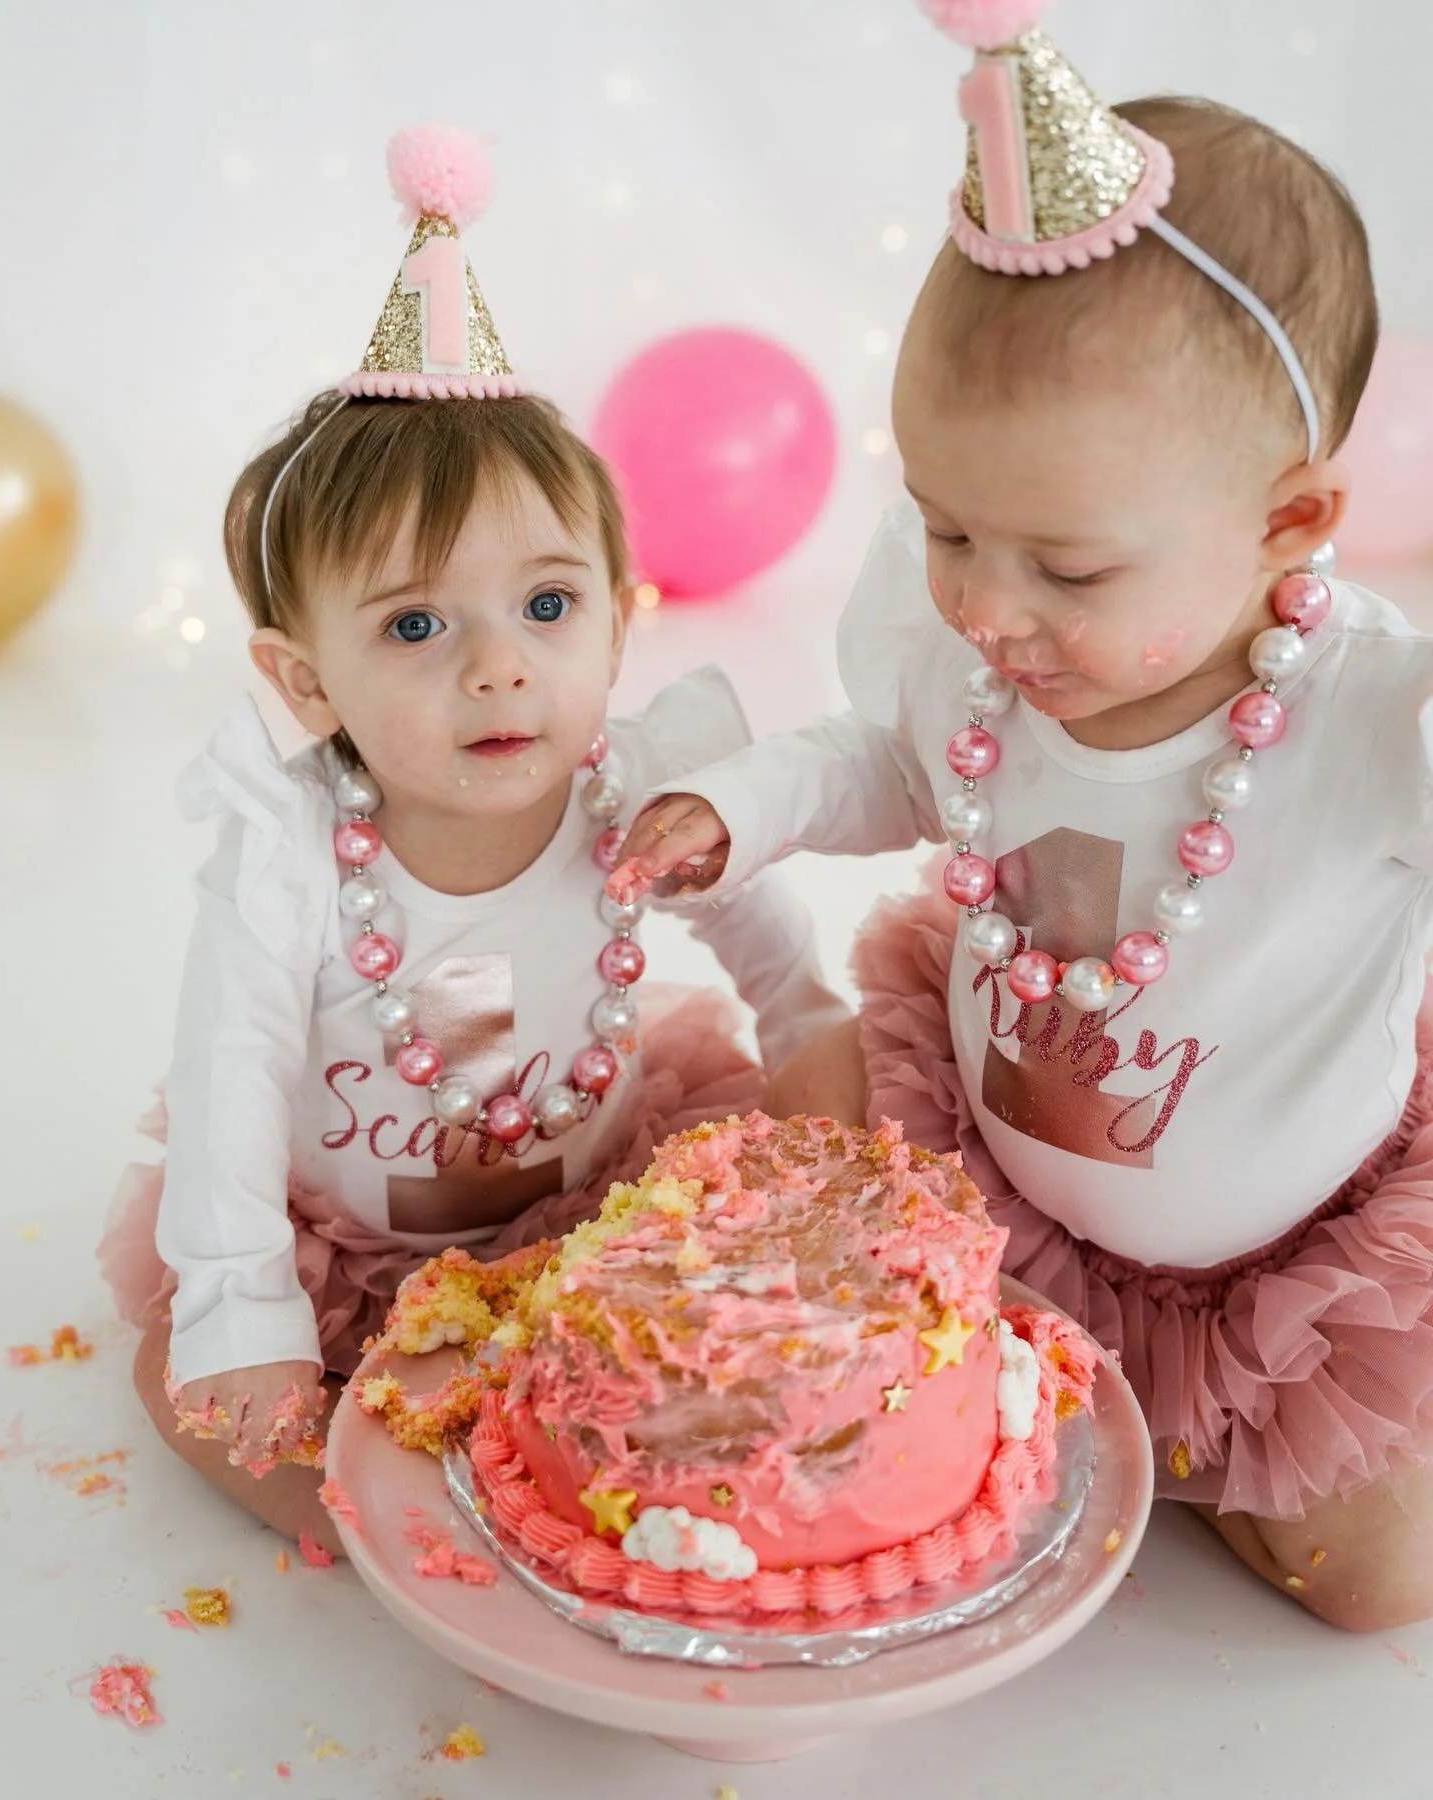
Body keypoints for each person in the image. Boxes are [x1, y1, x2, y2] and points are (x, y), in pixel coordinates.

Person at [613, 5, 1433, 1631]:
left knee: (1379, 1593)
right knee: (809, 1302)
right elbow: (888, 763)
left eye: (1068, 568)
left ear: (1291, 521)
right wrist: (745, 800)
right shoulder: (969, 665)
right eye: (945, 529)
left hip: (1282, 1265)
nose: (990, 607)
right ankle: (1026, 1396)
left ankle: (1189, 1437)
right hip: (997, 1168)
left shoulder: (1364, 725)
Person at [99, 127, 845, 1552]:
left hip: (601, 1217)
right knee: (181, 1379)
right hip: (372, 1251)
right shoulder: (291, 850)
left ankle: (590, 1475)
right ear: (305, 682)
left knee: (683, 1374)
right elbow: (232, 1077)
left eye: (548, 607)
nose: (499, 668)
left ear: (625, 618)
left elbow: (784, 968)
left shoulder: (647, 789)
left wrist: (815, 1094)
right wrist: (248, 1314)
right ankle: (416, 1533)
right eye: (417, 626)